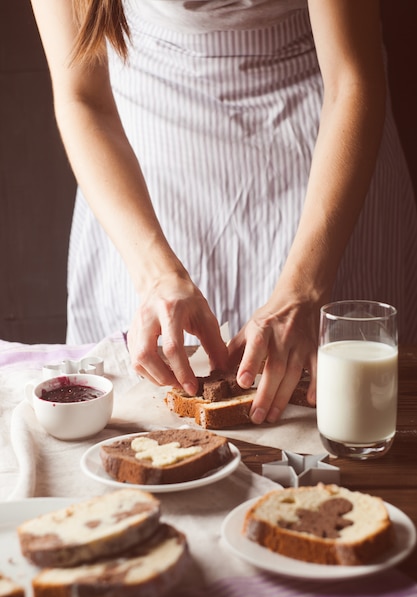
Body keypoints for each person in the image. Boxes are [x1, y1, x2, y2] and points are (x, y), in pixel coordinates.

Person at [30, 0, 417, 425]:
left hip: (321, 149)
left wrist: (304, 290)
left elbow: (351, 79)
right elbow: (82, 97)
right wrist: (156, 274)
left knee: (346, 414)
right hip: (142, 165)